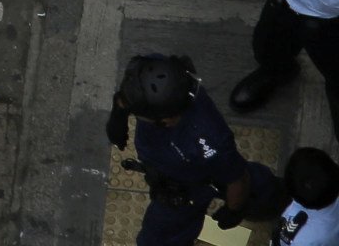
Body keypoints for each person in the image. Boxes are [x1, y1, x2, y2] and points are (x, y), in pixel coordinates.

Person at [111, 52, 275, 241]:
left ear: (167, 121)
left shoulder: (208, 140)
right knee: (250, 179)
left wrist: (234, 208)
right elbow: (126, 96)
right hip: (187, 163)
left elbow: (237, 179)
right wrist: (118, 116)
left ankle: (274, 198)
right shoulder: (159, 73)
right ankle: (272, 194)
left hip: (186, 186)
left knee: (160, 237)